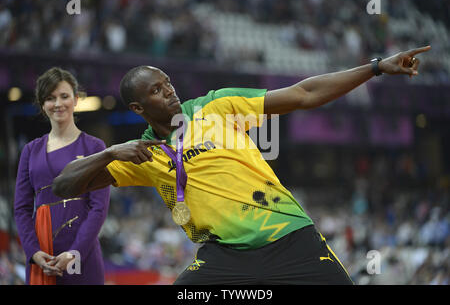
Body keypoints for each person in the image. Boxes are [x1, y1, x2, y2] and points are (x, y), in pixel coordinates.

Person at [52, 46, 430, 284]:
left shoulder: (216, 106)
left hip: (289, 239)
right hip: (225, 257)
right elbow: (64, 185)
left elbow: (303, 94)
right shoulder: (141, 153)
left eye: (167, 83)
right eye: (156, 90)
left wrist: (377, 67)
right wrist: (108, 153)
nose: (169, 91)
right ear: (137, 108)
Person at [14, 67, 110, 285]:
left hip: (82, 256)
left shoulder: (95, 147)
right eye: (50, 98)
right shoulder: (30, 151)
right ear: (42, 104)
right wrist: (33, 252)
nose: (58, 104)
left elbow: (99, 208)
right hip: (42, 256)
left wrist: (75, 252)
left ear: (76, 99)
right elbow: (21, 208)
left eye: (64, 96)